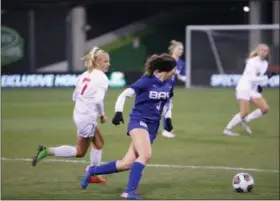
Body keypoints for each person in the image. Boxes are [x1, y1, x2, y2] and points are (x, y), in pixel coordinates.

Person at [80, 53, 176, 200]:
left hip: (153, 126)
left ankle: (92, 170)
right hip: (139, 121)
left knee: (127, 163)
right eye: (174, 69)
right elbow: (124, 94)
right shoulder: (146, 81)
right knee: (145, 155)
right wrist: (118, 112)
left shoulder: (170, 83)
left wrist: (167, 118)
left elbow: (168, 100)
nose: (175, 72)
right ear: (168, 69)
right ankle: (128, 192)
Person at [32, 47, 110, 183]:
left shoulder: (84, 75)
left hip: (79, 114)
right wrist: (102, 115)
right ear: (97, 62)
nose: (108, 64)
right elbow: (98, 100)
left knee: (99, 143)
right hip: (87, 118)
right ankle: (47, 151)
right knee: (80, 152)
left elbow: (75, 96)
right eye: (105, 61)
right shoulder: (102, 78)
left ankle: (93, 173)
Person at [223, 44, 276, 136]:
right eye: (262, 50)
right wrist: (267, 77)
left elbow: (258, 77)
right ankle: (228, 129)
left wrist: (260, 86)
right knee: (244, 112)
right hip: (244, 87)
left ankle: (245, 121)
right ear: (258, 51)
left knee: (265, 109)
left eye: (266, 51)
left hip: (253, 89)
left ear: (268, 53)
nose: (264, 52)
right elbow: (251, 78)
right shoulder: (252, 62)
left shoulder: (265, 64)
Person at [162, 40, 186, 138]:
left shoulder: (181, 63)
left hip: (170, 88)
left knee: (165, 108)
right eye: (179, 49)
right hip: (161, 87)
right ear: (173, 50)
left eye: (182, 49)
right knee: (167, 108)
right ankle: (166, 130)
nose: (181, 51)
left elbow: (184, 77)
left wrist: (180, 76)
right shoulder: (166, 60)